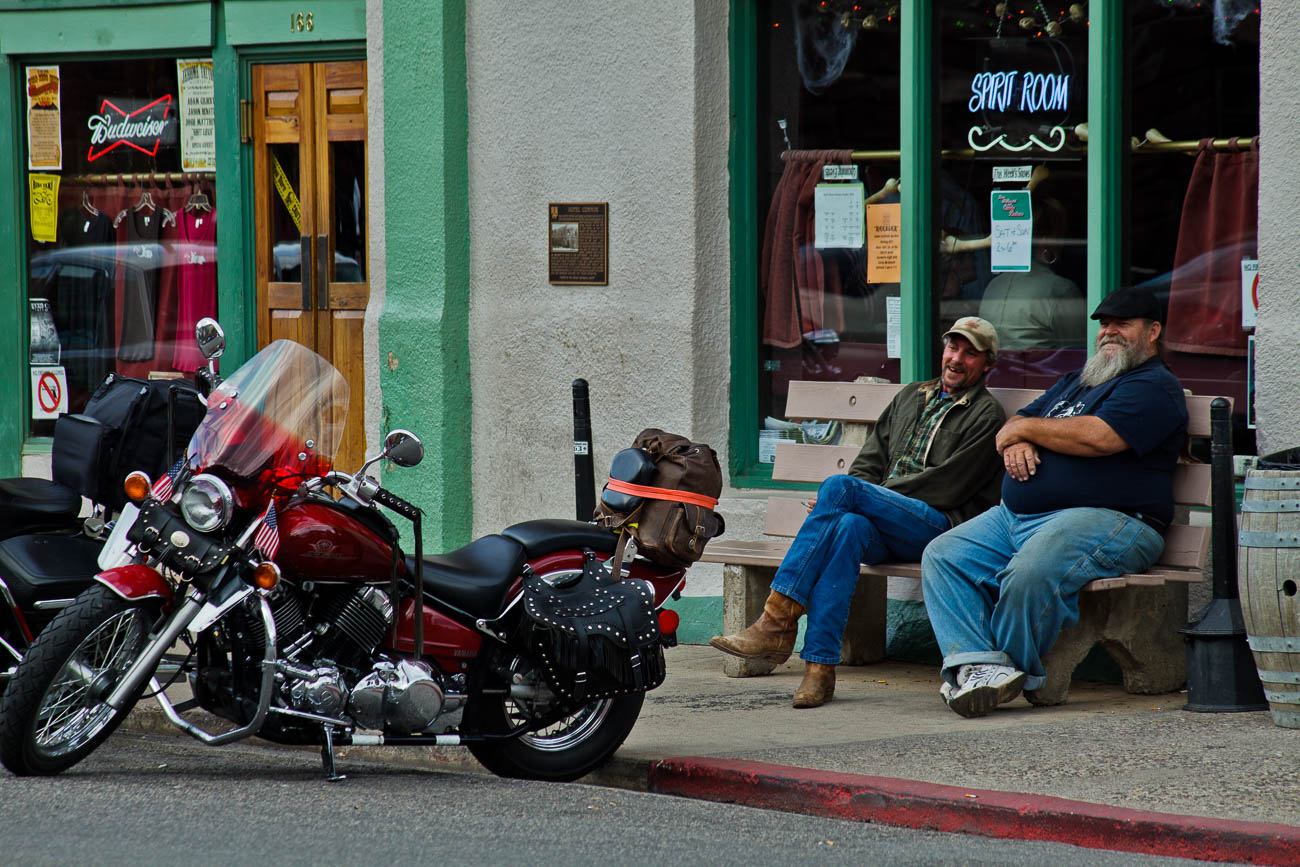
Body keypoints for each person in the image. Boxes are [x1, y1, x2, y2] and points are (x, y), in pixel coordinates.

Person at [710, 318, 1006, 708]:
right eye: (953, 347)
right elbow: (869, 462)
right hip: (885, 523)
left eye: (971, 353)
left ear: (987, 365)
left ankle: (777, 621)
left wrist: (864, 495)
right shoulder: (911, 396)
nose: (957, 358)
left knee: (840, 489)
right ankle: (820, 669)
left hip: (938, 528)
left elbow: (948, 486)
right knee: (847, 525)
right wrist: (859, 496)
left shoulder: (987, 415)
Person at [921, 286, 1188, 718]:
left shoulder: (1154, 386)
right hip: (1019, 516)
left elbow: (1099, 438)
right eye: (1104, 324)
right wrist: (1015, 440)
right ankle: (977, 668)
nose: (1109, 333)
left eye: (1122, 324)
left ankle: (1008, 668)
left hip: (1111, 521)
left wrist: (1025, 433)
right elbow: (1016, 424)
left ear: (1153, 331)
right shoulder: (1078, 382)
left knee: (1030, 570)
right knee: (944, 554)